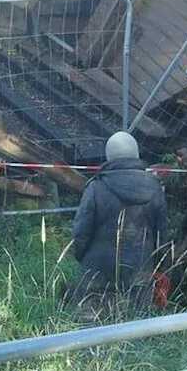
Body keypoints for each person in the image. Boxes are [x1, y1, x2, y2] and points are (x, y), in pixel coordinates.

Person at [65, 131, 168, 316]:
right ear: (136, 154)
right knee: (136, 322)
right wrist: (157, 265)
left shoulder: (96, 186)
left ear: (109, 156)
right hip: (140, 268)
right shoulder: (155, 187)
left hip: (97, 268)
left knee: (91, 325)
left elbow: (81, 231)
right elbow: (162, 233)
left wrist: (82, 257)